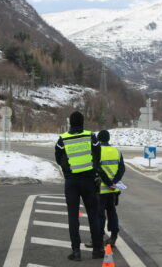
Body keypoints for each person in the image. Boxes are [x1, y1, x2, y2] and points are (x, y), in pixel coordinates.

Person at [55, 111, 104, 261]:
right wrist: (93, 169)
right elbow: (98, 153)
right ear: (83, 122)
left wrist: (68, 170)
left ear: (70, 122)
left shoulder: (62, 139)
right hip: (88, 181)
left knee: (73, 216)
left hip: (71, 182)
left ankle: (76, 251)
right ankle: (97, 250)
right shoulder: (91, 136)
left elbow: (58, 158)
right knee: (93, 215)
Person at [87, 130, 125, 248]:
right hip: (114, 189)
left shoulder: (97, 151)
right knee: (112, 212)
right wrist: (113, 182)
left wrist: (108, 182)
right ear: (108, 139)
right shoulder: (117, 151)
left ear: (98, 140)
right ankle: (113, 237)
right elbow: (122, 169)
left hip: (100, 189)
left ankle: (97, 240)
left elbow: (96, 169)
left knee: (99, 215)